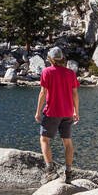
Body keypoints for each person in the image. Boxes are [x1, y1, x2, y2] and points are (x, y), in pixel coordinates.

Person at [35, 47, 79, 182]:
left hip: (52, 112)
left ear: (50, 59)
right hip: (67, 113)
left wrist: (37, 112)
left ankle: (50, 171)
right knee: (67, 142)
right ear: (62, 59)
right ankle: (69, 172)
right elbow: (75, 94)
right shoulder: (70, 73)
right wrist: (76, 111)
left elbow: (43, 93)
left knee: (44, 140)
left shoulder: (47, 72)